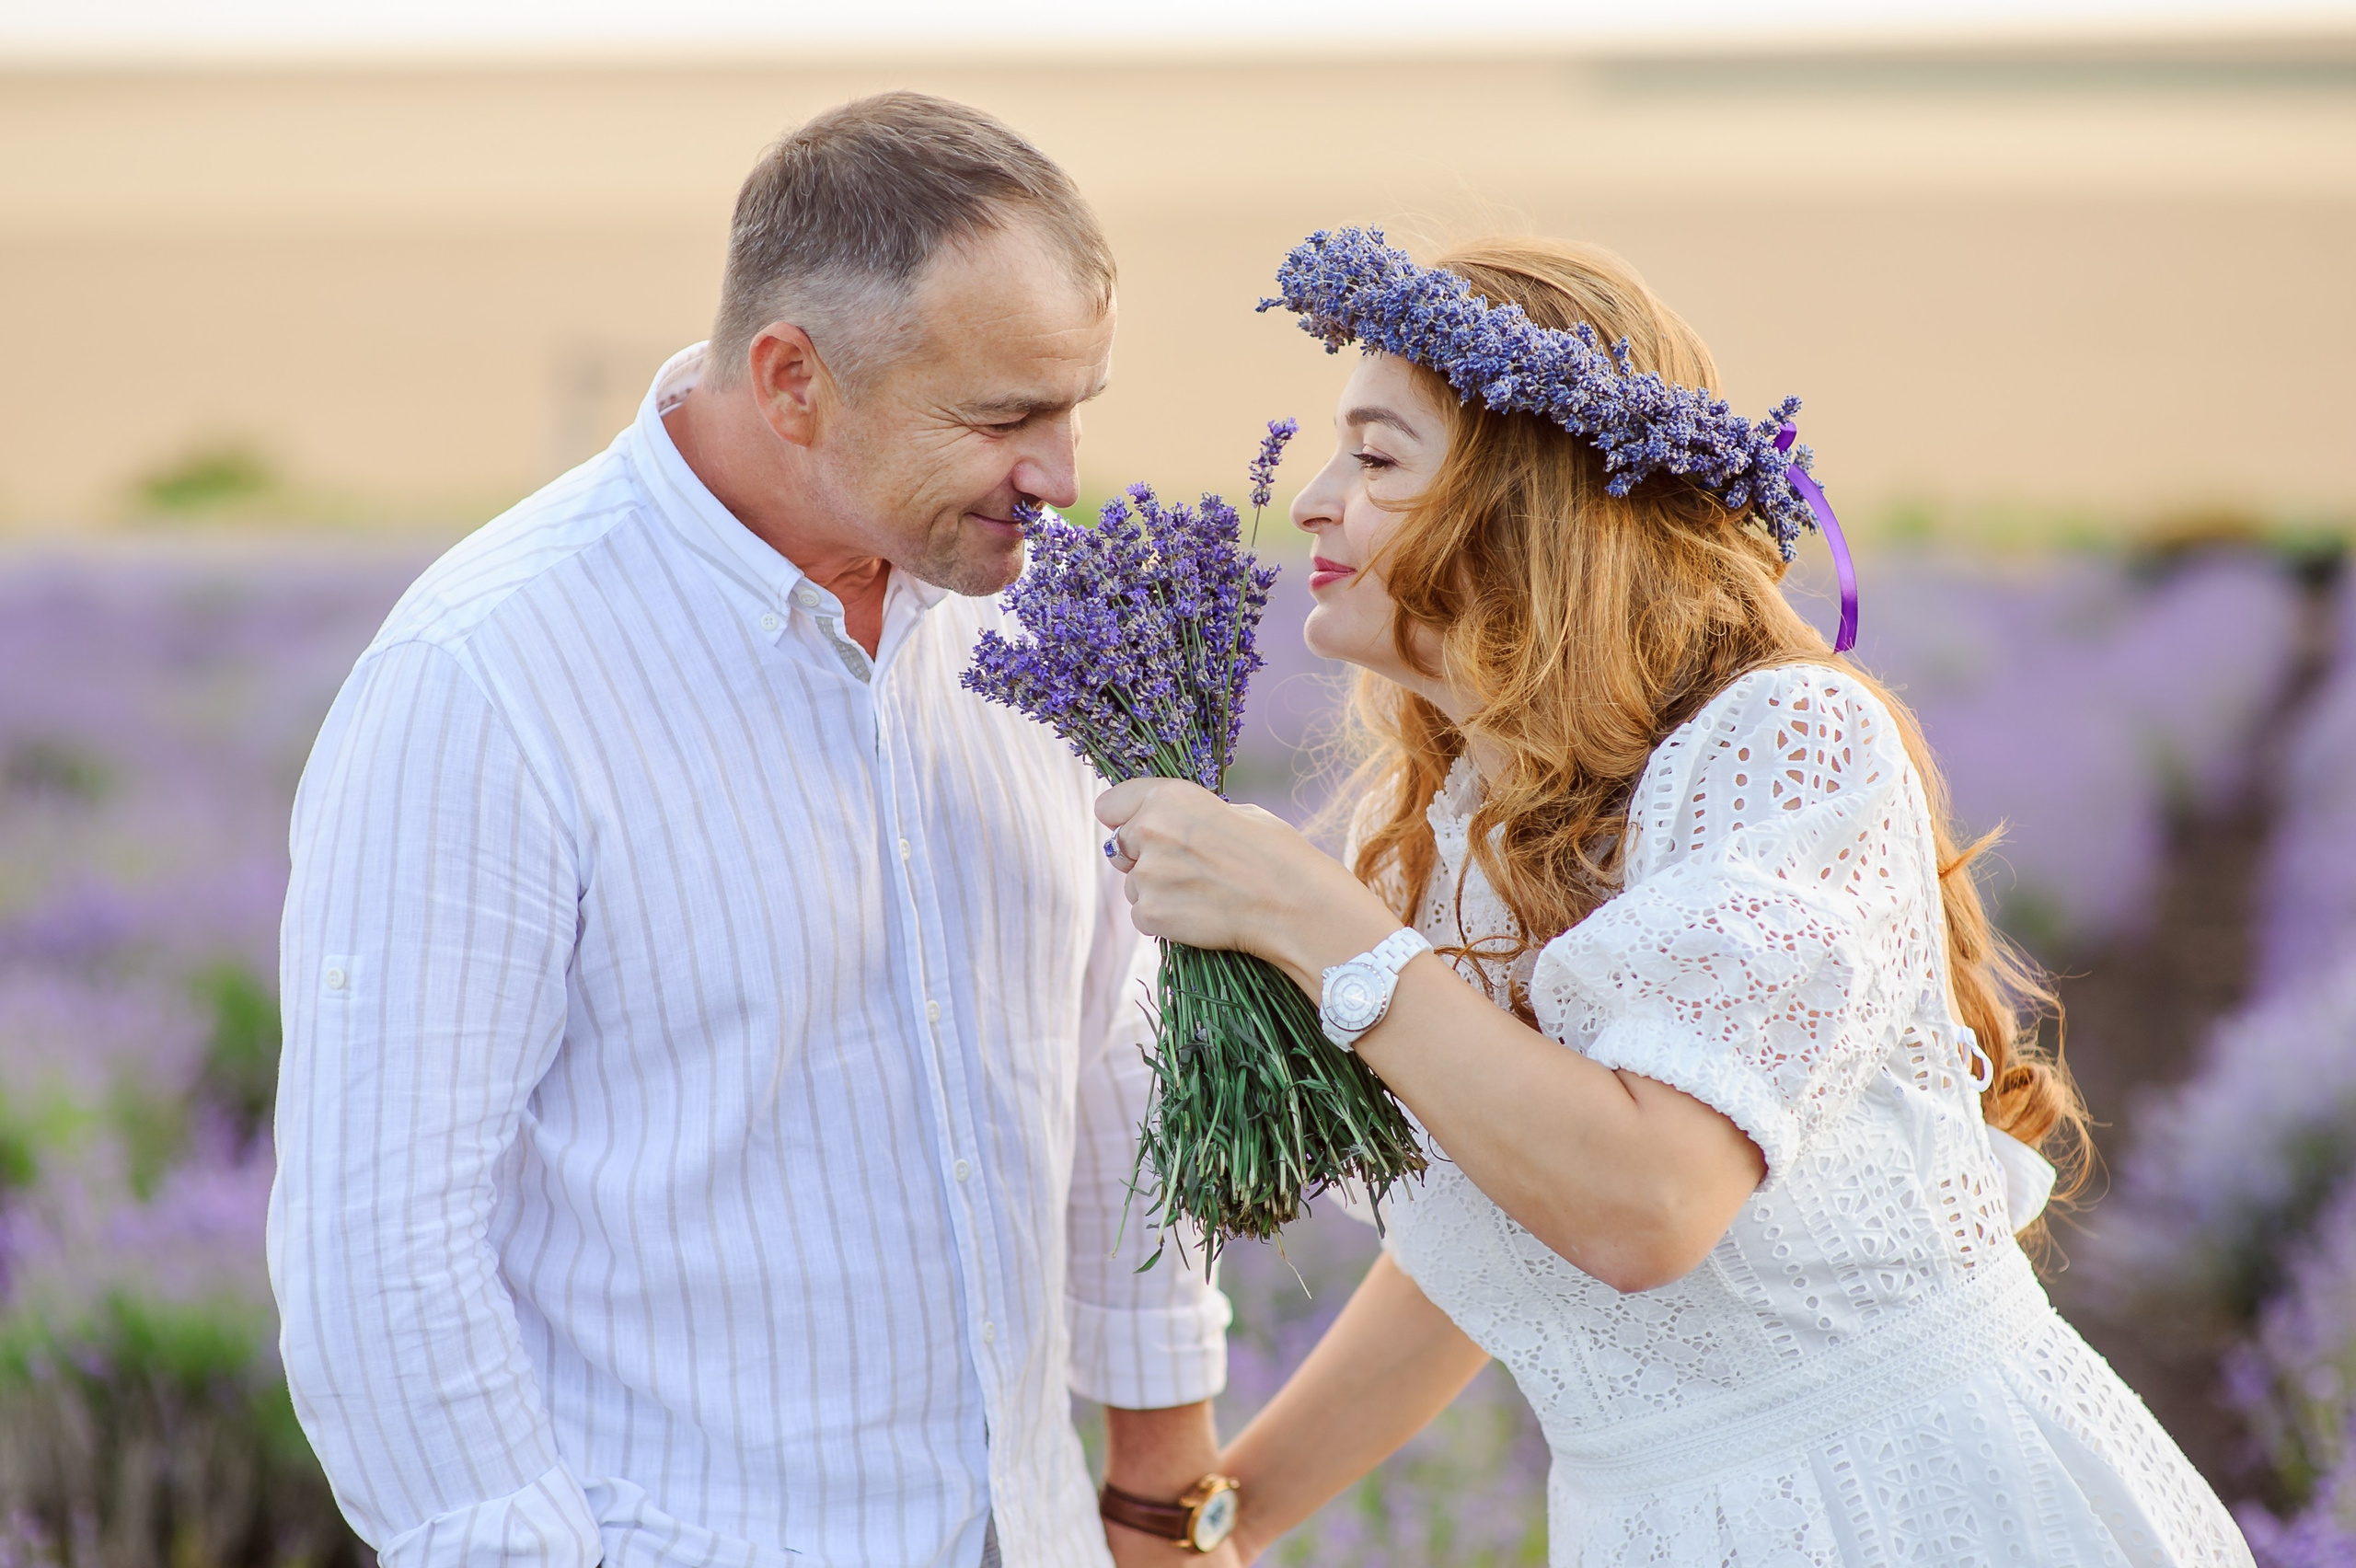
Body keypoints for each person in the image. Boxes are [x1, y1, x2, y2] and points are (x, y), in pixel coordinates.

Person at [1095, 232, 2251, 1564]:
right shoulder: (1422, 844)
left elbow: (1644, 1204)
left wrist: (1309, 920)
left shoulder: (1782, 745)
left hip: (1908, 1505)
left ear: (1524, 504)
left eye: (1375, 459)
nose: (1309, 500)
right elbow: (1500, 1225)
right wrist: (1213, 1521)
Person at [270, 93, 1239, 1568]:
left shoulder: (1049, 625)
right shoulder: (486, 677)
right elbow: (379, 1234)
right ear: (792, 379)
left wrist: (1165, 1493)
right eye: (1002, 418)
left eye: (1074, 406)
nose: (1059, 473)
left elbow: (1119, 1046)